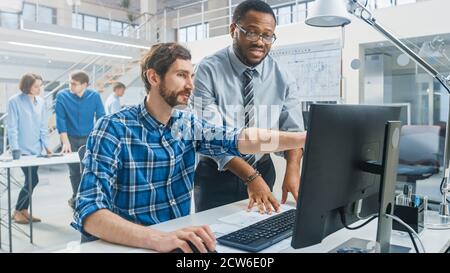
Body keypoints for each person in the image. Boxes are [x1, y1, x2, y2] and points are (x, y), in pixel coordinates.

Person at [72, 43, 306, 253]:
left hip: (177, 243)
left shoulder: (188, 124)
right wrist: (158, 239)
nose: (191, 85)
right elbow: (89, 213)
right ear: (154, 77)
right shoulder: (113, 128)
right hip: (133, 244)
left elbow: (241, 139)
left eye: (191, 76)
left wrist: (303, 138)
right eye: (182, 75)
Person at [192, 0, 304, 213]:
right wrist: (250, 176)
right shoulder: (207, 70)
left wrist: (292, 170)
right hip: (218, 174)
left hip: (263, 169)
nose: (260, 42)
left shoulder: (283, 76)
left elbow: (294, 131)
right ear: (233, 29)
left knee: (259, 235)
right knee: (212, 240)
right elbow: (210, 135)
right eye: (252, 33)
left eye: (267, 35)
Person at [55, 70, 105, 209]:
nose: (70, 86)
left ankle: (87, 196)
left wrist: (98, 138)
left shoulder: (94, 96)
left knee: (89, 169)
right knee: (74, 170)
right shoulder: (62, 96)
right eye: (70, 82)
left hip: (89, 137)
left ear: (84, 85)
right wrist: (65, 142)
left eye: (74, 84)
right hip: (69, 138)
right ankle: (76, 196)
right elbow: (60, 119)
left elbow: (101, 116)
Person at [7, 73, 51, 224]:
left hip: (37, 150)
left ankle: (23, 210)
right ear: (27, 85)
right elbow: (12, 127)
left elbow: (43, 127)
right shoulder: (14, 101)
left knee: (32, 179)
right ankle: (18, 211)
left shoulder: (41, 101)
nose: (39, 89)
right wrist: (15, 149)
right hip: (22, 150)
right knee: (32, 179)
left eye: (40, 86)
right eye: (35, 86)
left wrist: (46, 146)